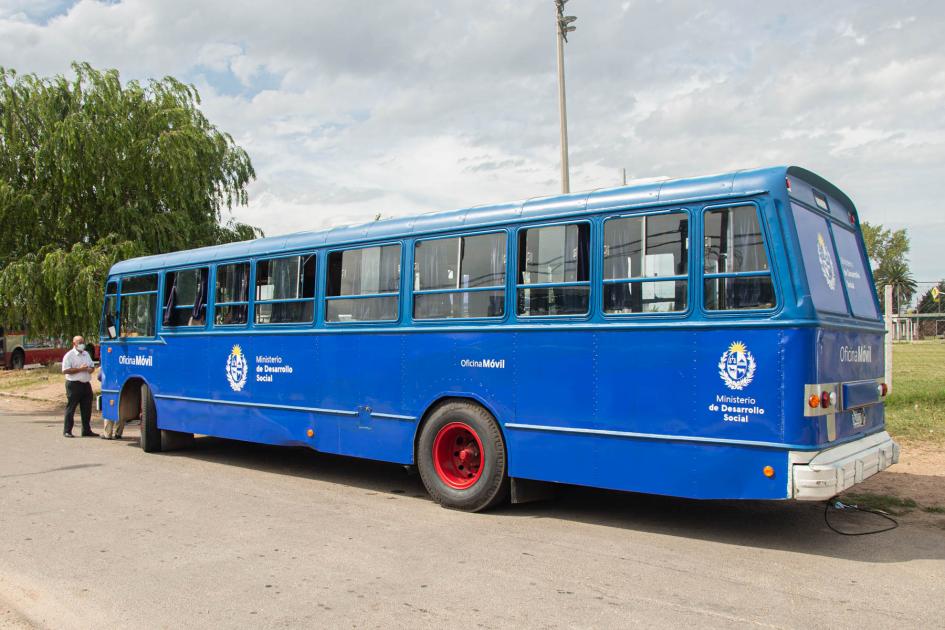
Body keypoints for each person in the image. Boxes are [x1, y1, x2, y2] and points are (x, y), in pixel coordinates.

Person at [62, 335, 97, 438]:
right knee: (71, 408)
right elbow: (65, 370)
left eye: (83, 342)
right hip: (73, 385)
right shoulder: (69, 355)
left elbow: (91, 366)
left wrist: (90, 369)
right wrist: (80, 369)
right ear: (74, 344)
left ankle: (86, 430)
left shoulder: (86, 354)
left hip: (86, 384)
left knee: (87, 408)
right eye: (80, 343)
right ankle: (67, 430)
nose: (82, 345)